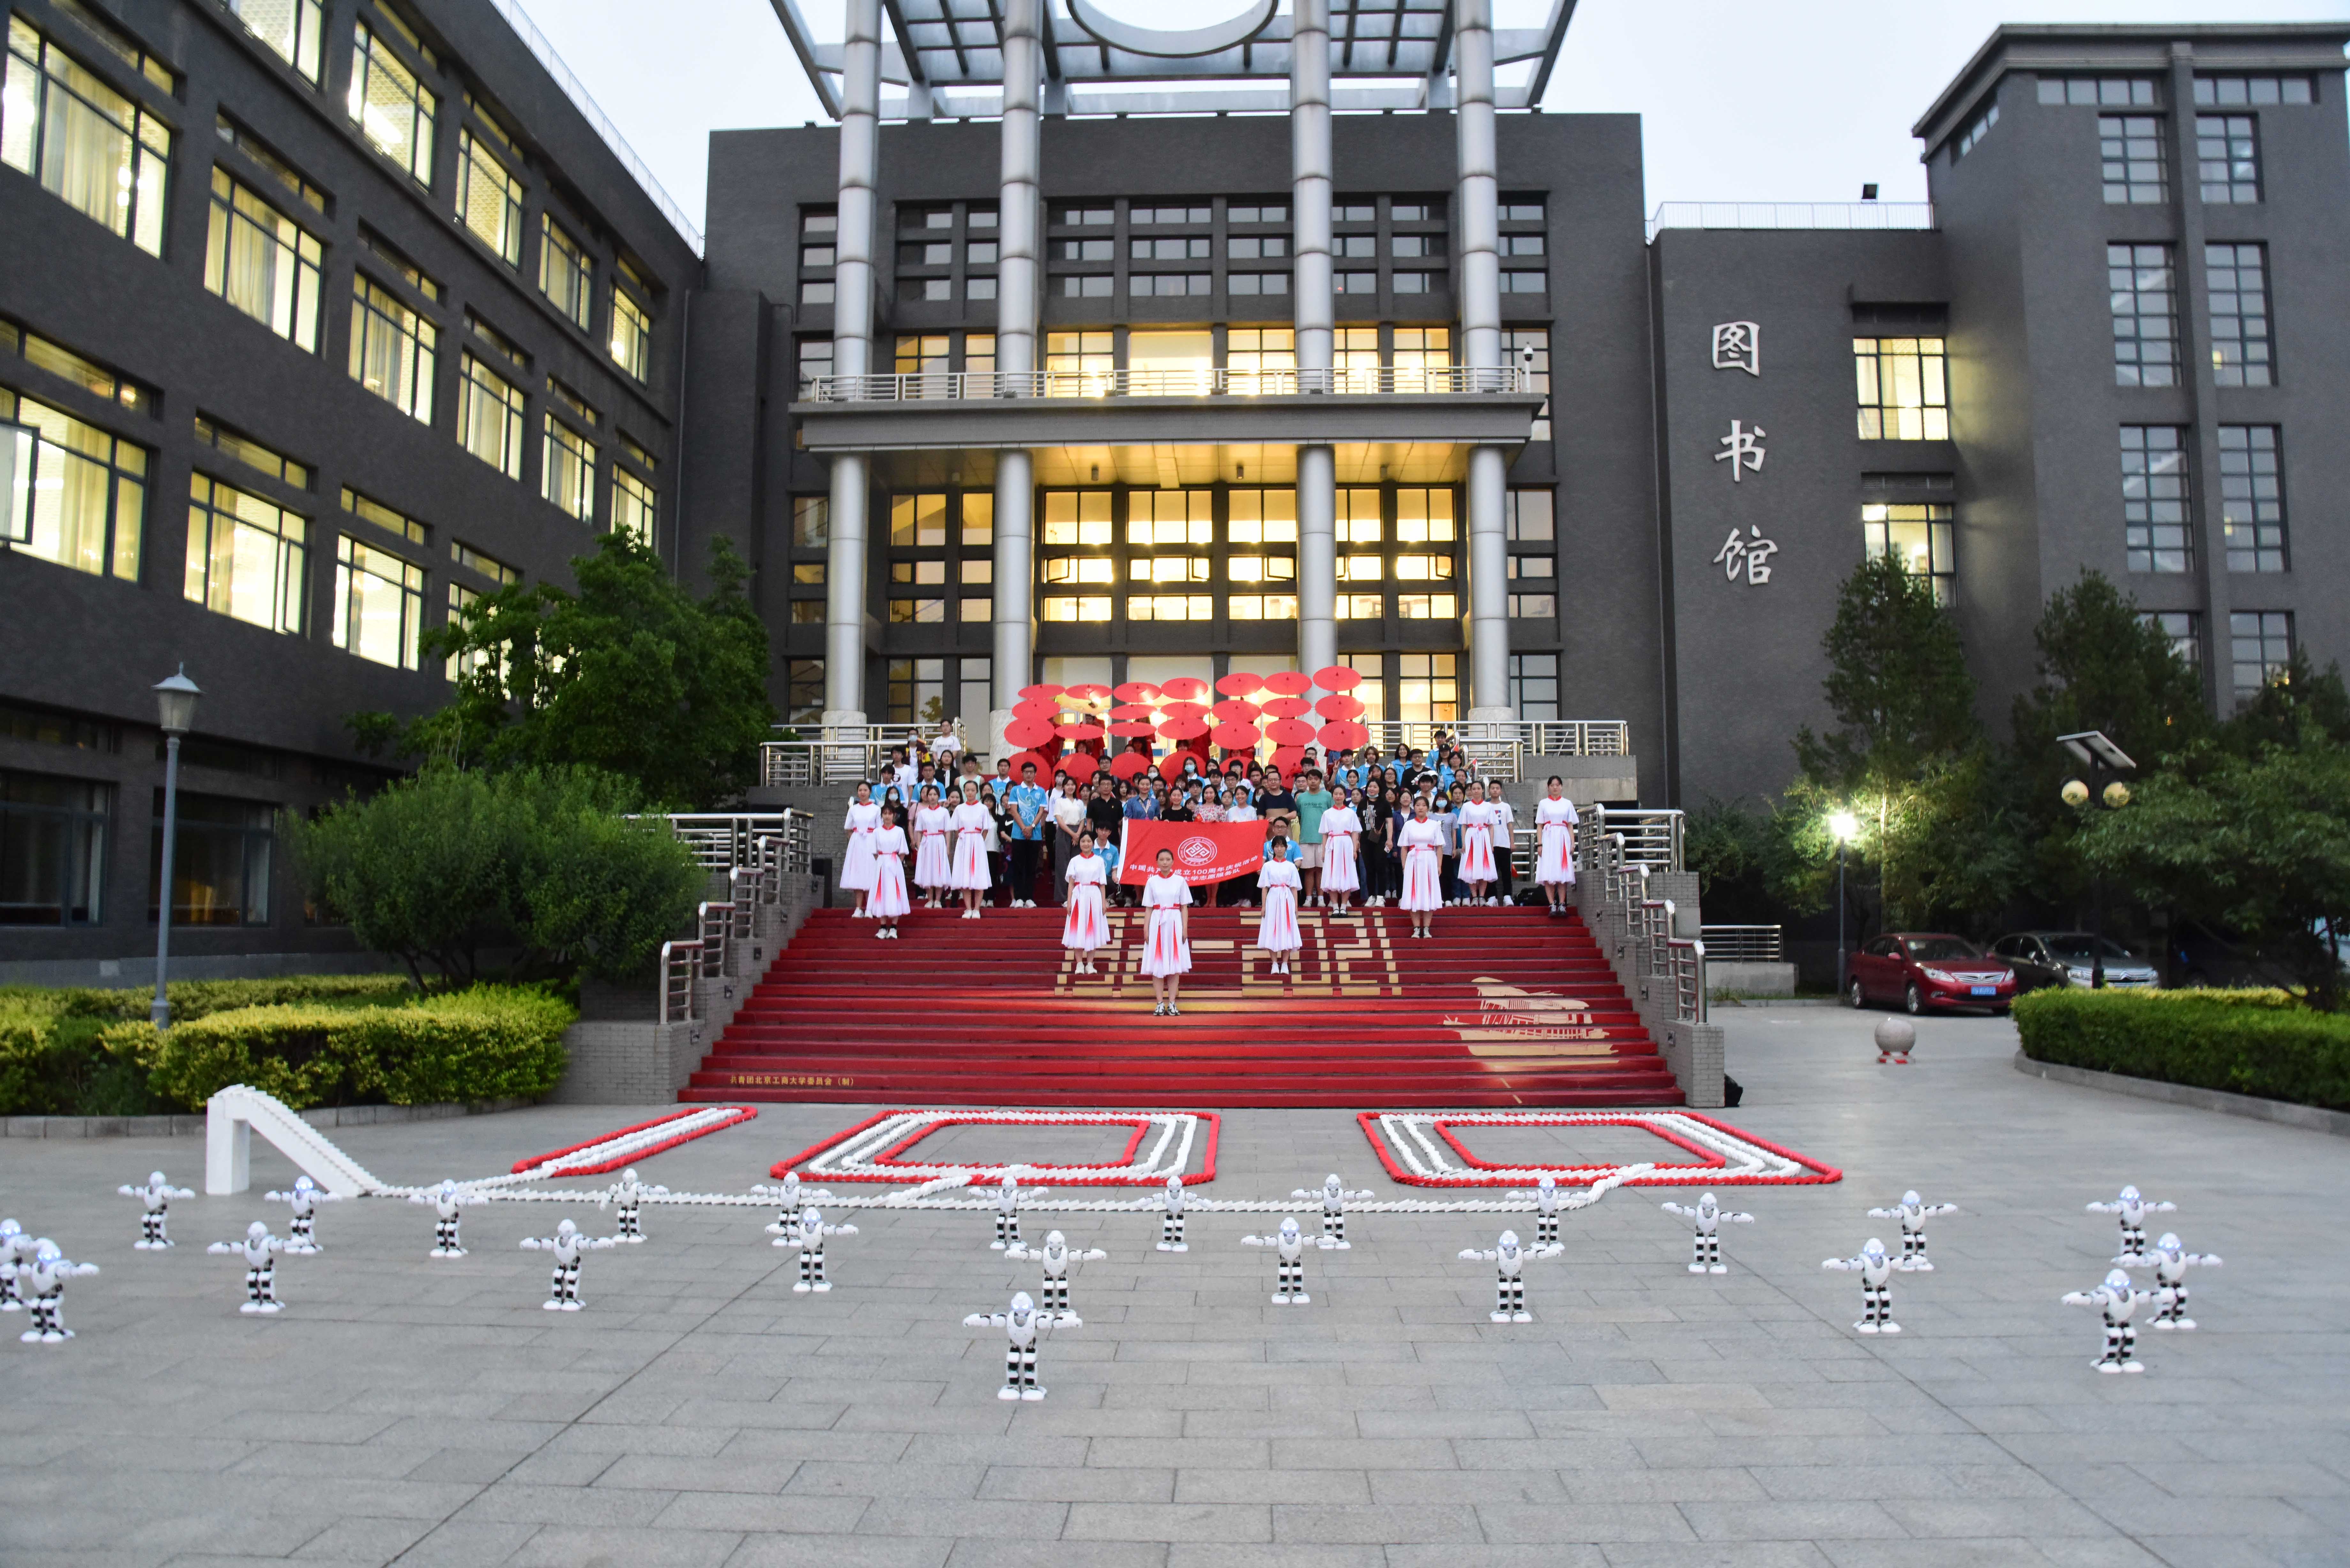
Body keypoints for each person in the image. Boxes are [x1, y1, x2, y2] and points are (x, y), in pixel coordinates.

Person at [1140, 847, 1193, 1016]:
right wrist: (1146, 929)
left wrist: (1185, 928)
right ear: (1157, 862)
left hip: (1174, 923)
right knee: (1158, 965)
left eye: (1168, 860)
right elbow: (1149, 908)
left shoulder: (1180, 881)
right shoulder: (1152, 882)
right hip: (1157, 923)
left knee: (1174, 965)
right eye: (1162, 860)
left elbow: (1184, 907)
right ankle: (1159, 1003)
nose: (1165, 863)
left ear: (1173, 862)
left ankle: (1172, 1003)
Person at [1062, 827, 1111, 973]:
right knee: (1078, 929)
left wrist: (1103, 903)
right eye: (1083, 841)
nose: (1086, 844)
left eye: (1089, 841)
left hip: (1094, 897)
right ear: (1080, 844)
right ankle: (1079, 964)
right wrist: (1069, 902)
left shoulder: (1099, 861)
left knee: (1093, 930)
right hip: (1079, 897)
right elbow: (1071, 884)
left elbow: (1102, 885)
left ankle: (1090, 964)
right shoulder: (1074, 861)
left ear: (1093, 843)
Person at [1398, 794, 1446, 938]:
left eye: (1424, 806)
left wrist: (1439, 866)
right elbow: (1404, 848)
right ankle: (1417, 928)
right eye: (1418, 805)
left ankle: (1427, 928)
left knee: (1428, 894)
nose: (1421, 808)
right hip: (1413, 861)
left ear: (1428, 808)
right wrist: (1404, 866)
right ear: (1414, 807)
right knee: (1413, 894)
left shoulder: (1434, 825)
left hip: (1429, 861)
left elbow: (1439, 847)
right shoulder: (1409, 825)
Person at [1256, 837, 1303, 977]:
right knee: (1272, 929)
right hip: (1273, 898)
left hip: (1287, 898)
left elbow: (1294, 888)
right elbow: (1265, 888)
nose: (1279, 849)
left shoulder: (1291, 866)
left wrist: (1296, 908)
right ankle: (1274, 963)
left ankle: (1285, 963)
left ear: (1286, 848)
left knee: (1287, 930)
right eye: (1277, 846)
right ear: (1273, 849)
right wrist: (1264, 906)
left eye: (1282, 846)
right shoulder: (1268, 866)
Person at [1534, 776, 1580, 913]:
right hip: (1548, 838)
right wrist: (1540, 844)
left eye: (1558, 785)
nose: (1555, 787)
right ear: (1548, 787)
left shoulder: (1567, 804)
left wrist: (1573, 843)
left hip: (1562, 839)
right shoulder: (1543, 804)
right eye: (1552, 785)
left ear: (1561, 787)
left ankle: (1562, 904)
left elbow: (1570, 825)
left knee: (1562, 873)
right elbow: (1540, 826)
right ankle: (1552, 904)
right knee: (1548, 872)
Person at [1005, 762, 1049, 908]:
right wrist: (1024, 828)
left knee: (1032, 867)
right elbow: (1014, 810)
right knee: (1019, 866)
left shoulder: (1041, 792)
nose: (1029, 775)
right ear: (1022, 773)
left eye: (1031, 772)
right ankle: (1019, 898)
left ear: (1035, 774)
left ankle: (1029, 898)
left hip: (1035, 835)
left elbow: (1041, 812)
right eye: (1026, 772)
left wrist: (1032, 827)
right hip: (1018, 834)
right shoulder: (1016, 790)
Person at [950, 781, 994, 919]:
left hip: (977, 843)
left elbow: (986, 829)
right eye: (968, 790)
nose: (970, 793)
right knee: (965, 876)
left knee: (979, 876)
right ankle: (968, 908)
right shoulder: (959, 809)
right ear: (964, 791)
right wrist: (963, 840)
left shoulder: (983, 808)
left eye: (973, 790)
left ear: (977, 792)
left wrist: (979, 841)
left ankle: (977, 909)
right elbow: (955, 829)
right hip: (964, 844)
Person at [868, 803, 910, 938]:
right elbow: (874, 852)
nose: (887, 816)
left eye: (890, 813)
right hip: (882, 864)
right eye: (885, 814)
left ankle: (894, 927)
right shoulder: (877, 832)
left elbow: (903, 851)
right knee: (882, 893)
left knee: (895, 893)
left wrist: (895, 862)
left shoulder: (899, 831)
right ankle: (882, 927)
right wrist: (882, 861)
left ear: (894, 815)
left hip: (894, 864)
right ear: (882, 816)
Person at [1292, 768, 1332, 908]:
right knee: (1308, 870)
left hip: (1323, 839)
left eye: (1316, 779)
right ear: (1307, 781)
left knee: (1321, 870)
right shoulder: (1301, 798)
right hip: (1306, 838)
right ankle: (1309, 898)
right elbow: (1299, 816)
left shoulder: (1327, 796)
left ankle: (1321, 898)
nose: (1313, 781)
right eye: (1310, 779)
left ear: (1320, 781)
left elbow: (1332, 815)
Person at [840, 783, 881, 919]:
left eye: (865, 790)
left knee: (870, 874)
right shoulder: (853, 809)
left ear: (870, 792)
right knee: (857, 874)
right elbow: (848, 829)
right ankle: (858, 908)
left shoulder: (876, 809)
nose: (863, 793)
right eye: (860, 790)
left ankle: (870, 908)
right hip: (857, 843)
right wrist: (855, 840)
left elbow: (879, 830)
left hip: (871, 842)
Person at [1457, 780, 1500, 907]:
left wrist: (1491, 844)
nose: (1476, 791)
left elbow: (1491, 826)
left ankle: (1482, 896)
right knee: (1470, 868)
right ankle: (1474, 897)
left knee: (1484, 868)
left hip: (1484, 837)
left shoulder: (1488, 806)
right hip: (1471, 836)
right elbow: (1463, 826)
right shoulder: (1466, 806)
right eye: (1474, 789)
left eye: (1478, 789)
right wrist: (1464, 843)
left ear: (1483, 790)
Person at [1319, 786, 1361, 910]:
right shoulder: (1327, 813)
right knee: (1332, 875)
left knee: (1346, 874)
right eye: (1336, 794)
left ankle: (1344, 906)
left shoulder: (1351, 813)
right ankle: (1335, 907)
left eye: (1341, 794)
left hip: (1346, 845)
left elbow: (1355, 832)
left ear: (1345, 796)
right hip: (1332, 846)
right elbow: (1325, 834)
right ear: (1333, 796)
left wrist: (1355, 850)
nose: (1338, 797)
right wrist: (1324, 851)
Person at [1086, 776, 1127, 905]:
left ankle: (1113, 897)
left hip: (1114, 840)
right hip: (1096, 841)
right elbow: (1089, 822)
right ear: (1099, 787)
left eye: (1109, 784)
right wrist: (1089, 839)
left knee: (1115, 869)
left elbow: (1120, 823)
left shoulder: (1117, 803)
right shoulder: (1093, 803)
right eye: (1103, 784)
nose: (1106, 787)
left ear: (1112, 786)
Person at [912, 784, 954, 908]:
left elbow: (948, 831)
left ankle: (938, 900)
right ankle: (930, 899)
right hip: (927, 843)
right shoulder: (923, 813)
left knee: (939, 870)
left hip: (939, 842)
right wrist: (919, 846)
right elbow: (919, 831)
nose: (932, 797)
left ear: (939, 796)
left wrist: (947, 848)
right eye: (930, 795)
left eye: (935, 795)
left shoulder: (944, 812)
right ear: (926, 796)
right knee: (928, 870)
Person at [1220, 785, 1258, 908]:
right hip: (1235, 846)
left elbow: (1255, 827)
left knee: (1248, 873)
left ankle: (1248, 899)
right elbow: (1226, 828)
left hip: (1248, 845)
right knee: (1237, 872)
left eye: (1243, 794)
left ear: (1247, 796)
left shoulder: (1252, 810)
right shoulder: (1231, 811)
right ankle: (1239, 898)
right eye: (1238, 794)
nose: (1240, 796)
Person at [1050, 778, 1087, 905]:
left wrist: (1078, 835)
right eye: (1068, 785)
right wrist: (1073, 834)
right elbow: (1059, 820)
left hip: (1078, 832)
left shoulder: (1079, 803)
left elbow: (1083, 820)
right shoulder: (1060, 801)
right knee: (1062, 865)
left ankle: (1076, 895)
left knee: (1077, 865)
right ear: (1064, 787)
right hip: (1064, 832)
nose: (1070, 787)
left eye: (1073, 785)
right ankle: (1063, 897)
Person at [1360, 780, 1393, 908]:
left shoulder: (1384, 804)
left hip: (1381, 840)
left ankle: (1380, 897)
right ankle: (1371, 896)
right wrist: (1357, 840)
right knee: (1369, 869)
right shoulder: (1363, 803)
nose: (1372, 789)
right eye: (1370, 786)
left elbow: (1389, 822)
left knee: (1381, 867)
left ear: (1380, 789)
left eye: (1375, 787)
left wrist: (1390, 839)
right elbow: (1358, 823)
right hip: (1365, 841)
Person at [1490, 783, 1518, 905]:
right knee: (1491, 873)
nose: (1495, 790)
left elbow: (1510, 825)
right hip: (1490, 845)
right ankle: (1492, 897)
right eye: (1493, 788)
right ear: (1489, 791)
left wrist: (1512, 842)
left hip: (1504, 843)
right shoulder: (1486, 806)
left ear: (1501, 791)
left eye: (1497, 788)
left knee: (1506, 872)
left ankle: (1507, 896)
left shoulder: (1506, 807)